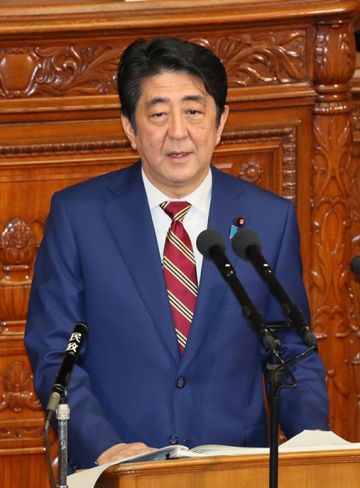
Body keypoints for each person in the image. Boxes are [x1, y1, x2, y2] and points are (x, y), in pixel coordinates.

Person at [25, 37, 329, 471]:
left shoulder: (267, 220)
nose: (178, 132)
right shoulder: (79, 216)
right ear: (130, 127)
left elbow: (291, 348)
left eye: (193, 111)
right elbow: (56, 349)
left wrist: (313, 447)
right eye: (158, 114)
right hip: (117, 467)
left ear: (220, 122)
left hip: (235, 470)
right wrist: (103, 447)